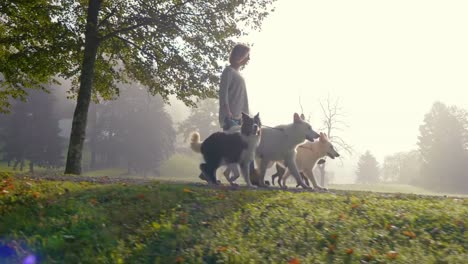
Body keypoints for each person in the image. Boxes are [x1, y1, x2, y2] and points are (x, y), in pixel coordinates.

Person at [219, 43, 251, 131]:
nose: (249, 58)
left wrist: (245, 116)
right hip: (230, 117)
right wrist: (227, 112)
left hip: (240, 118)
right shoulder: (228, 71)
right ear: (240, 55)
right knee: (230, 143)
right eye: (247, 55)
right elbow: (223, 93)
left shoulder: (238, 74)